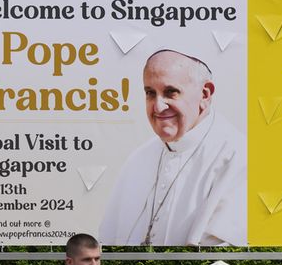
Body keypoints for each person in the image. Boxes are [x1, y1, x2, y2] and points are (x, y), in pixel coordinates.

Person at [99, 49, 247, 247]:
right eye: (150, 93)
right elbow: (107, 241)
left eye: (171, 92)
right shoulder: (139, 158)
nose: (158, 107)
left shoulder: (239, 156)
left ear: (205, 94)